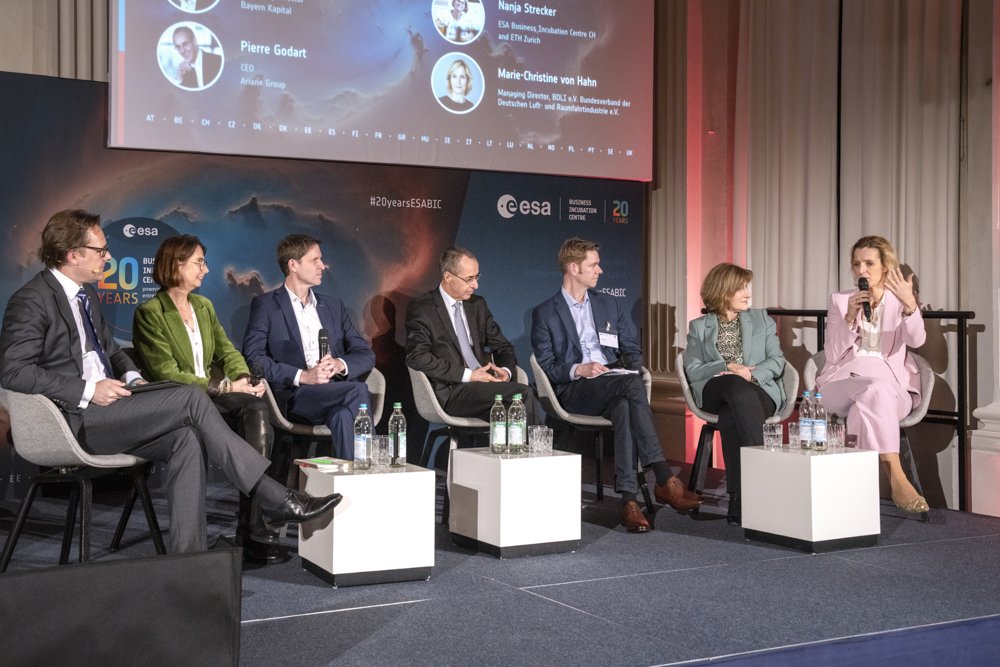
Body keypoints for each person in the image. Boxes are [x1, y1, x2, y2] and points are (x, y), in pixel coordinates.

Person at [0, 210, 340, 554]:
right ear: (73, 255)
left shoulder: (86, 295)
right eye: (101, 251)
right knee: (191, 397)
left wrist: (133, 377)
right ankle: (275, 498)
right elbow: (13, 371)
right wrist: (89, 389)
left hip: (114, 408)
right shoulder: (33, 299)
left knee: (186, 439)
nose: (108, 257)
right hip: (76, 418)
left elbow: (111, 352)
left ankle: (188, 557)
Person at [531, 238, 701, 533]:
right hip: (576, 389)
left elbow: (632, 350)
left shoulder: (608, 303)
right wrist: (578, 369)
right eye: (594, 265)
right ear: (574, 268)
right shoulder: (546, 312)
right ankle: (663, 476)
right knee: (632, 386)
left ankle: (628, 501)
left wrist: (618, 367)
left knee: (624, 406)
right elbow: (545, 366)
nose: (600, 270)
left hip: (613, 381)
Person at [132, 235, 283, 562]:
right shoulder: (150, 312)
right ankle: (269, 503)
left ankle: (252, 526)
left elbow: (227, 351)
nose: (206, 269)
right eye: (199, 262)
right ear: (176, 265)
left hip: (214, 394)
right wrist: (225, 388)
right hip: (180, 402)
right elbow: (167, 374)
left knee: (256, 405)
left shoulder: (204, 306)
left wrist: (243, 378)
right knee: (206, 420)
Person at [816, 235, 928, 513]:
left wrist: (910, 306)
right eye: (856, 264)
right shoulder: (841, 300)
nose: (861, 270)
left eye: (869, 263)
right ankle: (896, 474)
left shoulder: (900, 300)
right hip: (842, 384)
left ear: (885, 266)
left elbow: (916, 340)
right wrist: (849, 317)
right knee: (871, 390)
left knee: (868, 402)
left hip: (892, 388)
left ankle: (854, 499)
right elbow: (832, 354)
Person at [243, 234, 374, 459]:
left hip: (336, 391)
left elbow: (365, 354)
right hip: (296, 395)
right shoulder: (266, 306)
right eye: (315, 260)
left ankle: (353, 478)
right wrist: (303, 376)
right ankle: (372, 470)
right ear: (293, 265)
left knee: (343, 416)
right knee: (358, 390)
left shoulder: (333, 306)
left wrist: (339, 364)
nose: (322, 265)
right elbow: (254, 358)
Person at [683, 263, 786, 526]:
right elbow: (693, 370)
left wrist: (751, 375)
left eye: (747, 287)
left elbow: (777, 361)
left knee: (731, 414)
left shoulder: (761, 319)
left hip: (758, 389)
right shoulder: (699, 326)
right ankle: (763, 479)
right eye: (741, 288)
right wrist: (728, 366)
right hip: (715, 390)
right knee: (732, 384)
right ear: (723, 290)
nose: (748, 294)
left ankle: (738, 499)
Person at [405, 246, 538, 425]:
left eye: (477, 277)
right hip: (452, 390)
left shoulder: (477, 305)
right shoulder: (423, 309)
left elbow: (503, 346)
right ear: (448, 277)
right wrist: (469, 375)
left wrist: (505, 372)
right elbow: (417, 357)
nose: (475, 285)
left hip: (483, 387)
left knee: (514, 401)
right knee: (521, 395)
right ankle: (527, 444)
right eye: (469, 279)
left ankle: (507, 443)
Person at [172, 25, 221, 89]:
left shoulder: (218, 61)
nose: (182, 50)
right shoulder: (183, 72)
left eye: (185, 44)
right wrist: (179, 78)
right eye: (178, 47)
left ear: (195, 41)